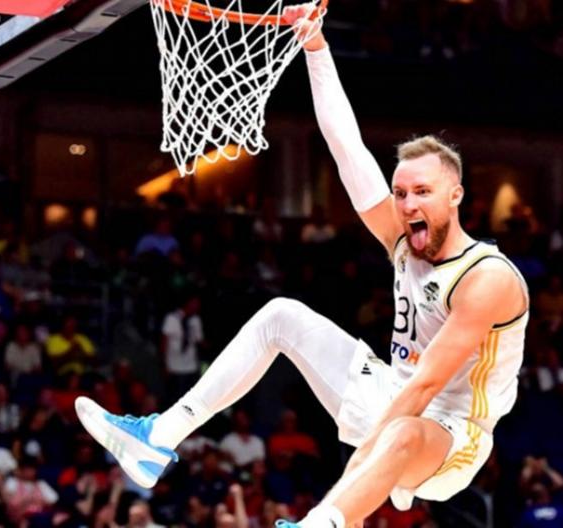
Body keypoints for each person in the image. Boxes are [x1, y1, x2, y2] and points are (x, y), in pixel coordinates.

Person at [75, 6, 529, 528]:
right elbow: (346, 146)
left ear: (456, 195)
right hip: (391, 397)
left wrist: (357, 479)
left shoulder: (486, 279)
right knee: (281, 315)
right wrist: (316, 48)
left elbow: (424, 389)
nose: (406, 204)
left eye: (422, 192)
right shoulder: (403, 239)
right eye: (400, 192)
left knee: (402, 431)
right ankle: (158, 438)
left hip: (452, 435)